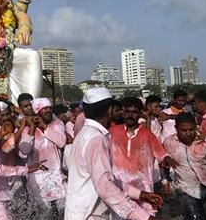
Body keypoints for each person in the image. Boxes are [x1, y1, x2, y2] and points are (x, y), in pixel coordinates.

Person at [65, 87, 163, 220]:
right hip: (89, 214)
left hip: (81, 211)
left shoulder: (84, 134)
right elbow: (105, 186)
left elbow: (107, 180)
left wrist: (141, 195)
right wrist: (142, 216)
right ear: (109, 110)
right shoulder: (96, 139)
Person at [109, 97, 171, 218]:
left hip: (143, 189)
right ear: (123, 112)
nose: (130, 115)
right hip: (119, 189)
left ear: (140, 113)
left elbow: (161, 154)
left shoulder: (147, 135)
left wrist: (167, 159)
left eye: (134, 112)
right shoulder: (112, 132)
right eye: (127, 112)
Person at [162, 113, 206, 220]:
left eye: (191, 129)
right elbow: (163, 164)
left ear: (196, 127)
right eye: (184, 130)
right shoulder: (168, 143)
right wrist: (165, 181)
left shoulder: (204, 142)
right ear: (176, 129)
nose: (188, 133)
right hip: (184, 188)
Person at [18, 98, 67, 218]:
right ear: (37, 112)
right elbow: (23, 152)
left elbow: (61, 142)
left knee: (63, 214)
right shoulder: (27, 128)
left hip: (57, 178)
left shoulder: (57, 124)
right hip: (38, 182)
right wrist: (33, 129)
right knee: (46, 216)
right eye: (44, 108)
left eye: (49, 108)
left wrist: (44, 127)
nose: (48, 111)